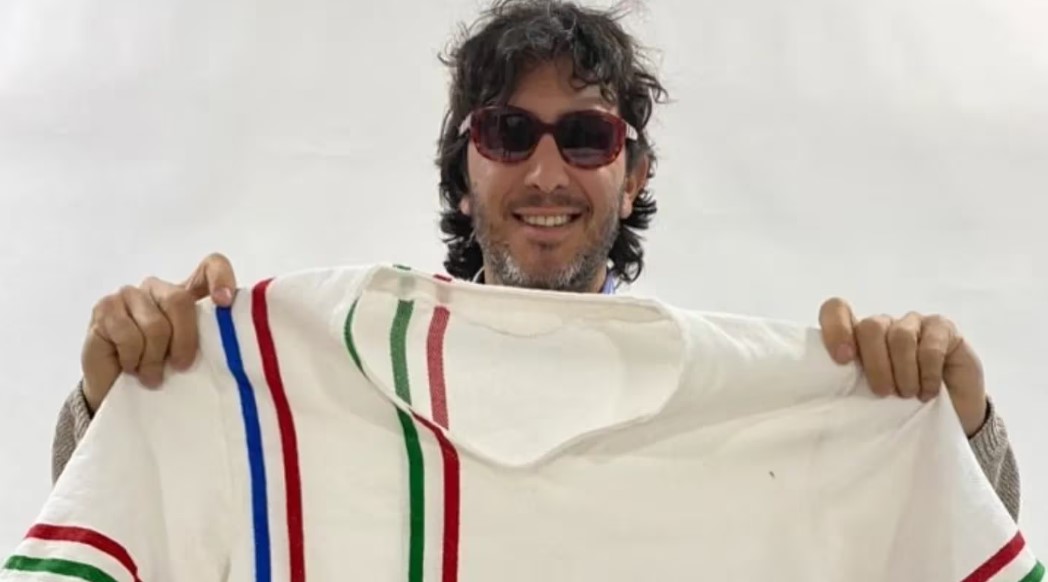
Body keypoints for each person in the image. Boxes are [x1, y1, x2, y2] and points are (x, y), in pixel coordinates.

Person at [52, 0, 1019, 519]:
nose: (547, 172)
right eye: (508, 133)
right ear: (462, 173)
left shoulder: (745, 409)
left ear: (633, 177)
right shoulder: (326, 379)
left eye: (587, 137)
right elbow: (136, 509)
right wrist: (135, 388)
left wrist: (946, 421)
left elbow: (944, 538)